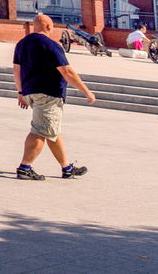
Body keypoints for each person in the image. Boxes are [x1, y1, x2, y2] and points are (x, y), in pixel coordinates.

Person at [12, 14, 96, 180]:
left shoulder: (22, 43)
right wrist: (87, 92)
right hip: (48, 94)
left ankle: (67, 168)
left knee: (52, 131)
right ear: (49, 27)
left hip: (31, 92)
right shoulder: (51, 45)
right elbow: (67, 71)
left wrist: (21, 92)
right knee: (40, 132)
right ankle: (24, 167)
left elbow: (16, 69)